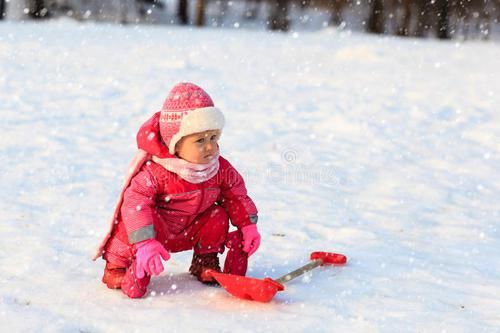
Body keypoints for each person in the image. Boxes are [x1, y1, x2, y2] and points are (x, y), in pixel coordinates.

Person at [93, 82, 261, 298]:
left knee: (216, 215)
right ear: (176, 144)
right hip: (158, 233)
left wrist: (248, 225)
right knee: (134, 218)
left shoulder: (220, 169)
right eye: (200, 140)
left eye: (213, 137)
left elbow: (236, 196)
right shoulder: (156, 172)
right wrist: (145, 242)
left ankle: (205, 261)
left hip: (189, 230)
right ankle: (118, 267)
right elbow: (136, 205)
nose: (210, 147)